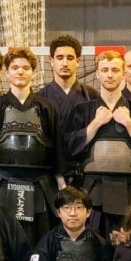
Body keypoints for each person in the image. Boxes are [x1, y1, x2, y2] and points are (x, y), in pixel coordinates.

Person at [0, 46, 65, 243]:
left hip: (40, 185)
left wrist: (60, 179)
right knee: (2, 240)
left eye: (25, 68)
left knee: (39, 241)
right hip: (2, 183)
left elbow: (58, 147)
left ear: (33, 72)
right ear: (7, 73)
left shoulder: (46, 107)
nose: (20, 72)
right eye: (15, 68)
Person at [66, 50, 131, 238]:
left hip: (130, 189)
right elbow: (70, 147)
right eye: (105, 70)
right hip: (92, 189)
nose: (110, 75)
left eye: (115, 70)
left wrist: (129, 123)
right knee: (93, 243)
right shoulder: (82, 110)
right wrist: (96, 123)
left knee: (128, 244)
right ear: (97, 74)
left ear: (123, 73)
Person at [37, 34, 97, 186]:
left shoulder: (92, 96)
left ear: (78, 61)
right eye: (60, 58)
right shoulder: (39, 98)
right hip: (49, 173)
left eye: (70, 58)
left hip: (85, 172)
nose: (65, 63)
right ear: (51, 61)